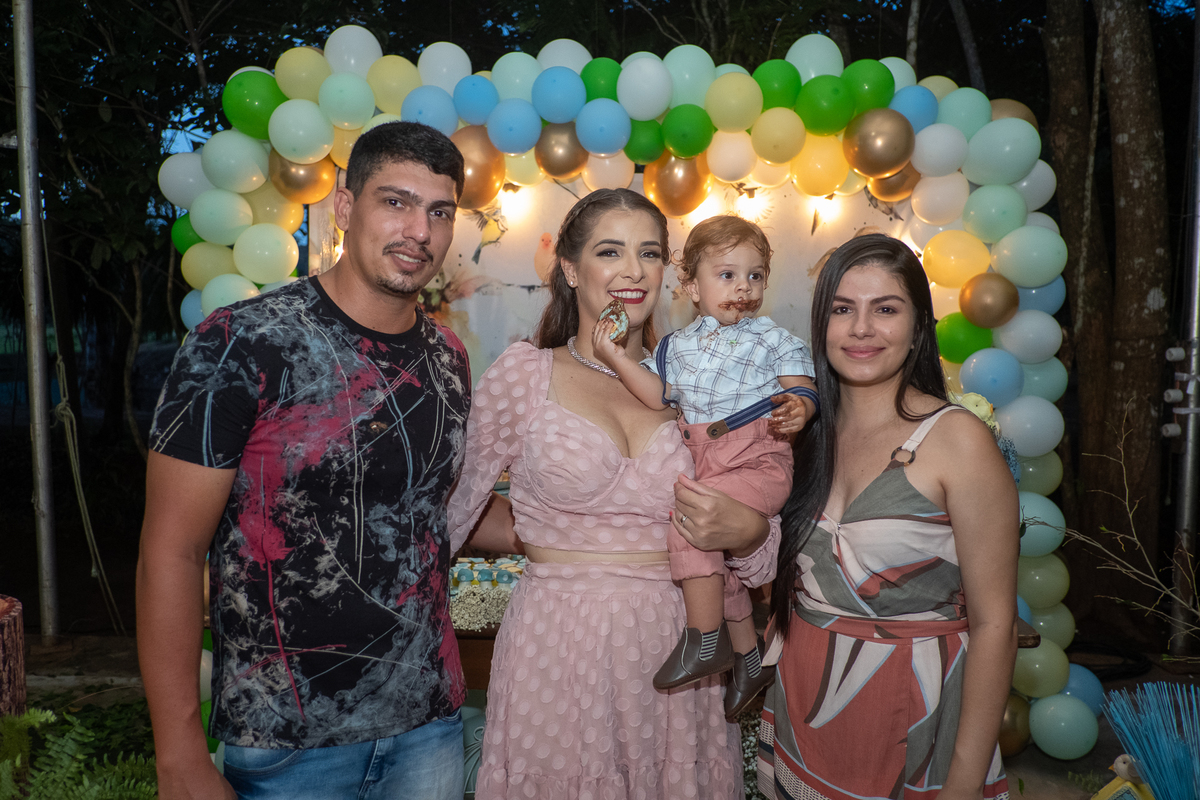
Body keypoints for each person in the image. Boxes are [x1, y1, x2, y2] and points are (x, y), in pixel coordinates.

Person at [137, 121, 472, 800]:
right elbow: (170, 552)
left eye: (440, 212)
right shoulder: (241, 342)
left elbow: (428, 509)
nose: (420, 231)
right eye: (396, 202)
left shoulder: (449, 358)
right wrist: (178, 755)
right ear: (345, 206)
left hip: (429, 726)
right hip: (287, 744)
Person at [448, 188, 778, 799]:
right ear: (571, 270)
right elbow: (454, 506)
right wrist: (548, 536)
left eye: (649, 253)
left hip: (682, 641)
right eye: (610, 251)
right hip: (560, 642)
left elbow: (758, 527)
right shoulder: (527, 373)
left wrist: (752, 531)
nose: (633, 270)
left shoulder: (699, 383)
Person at [755, 233, 1019, 800]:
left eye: (885, 309)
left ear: (919, 326)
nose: (861, 329)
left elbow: (995, 625)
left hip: (915, 725)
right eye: (842, 309)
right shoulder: (802, 435)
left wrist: (962, 783)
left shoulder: (958, 441)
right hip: (802, 714)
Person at [591, 215, 817, 719]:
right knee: (718, 565)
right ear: (691, 286)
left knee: (690, 525)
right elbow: (658, 395)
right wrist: (616, 356)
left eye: (755, 276)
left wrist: (800, 407)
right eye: (728, 275)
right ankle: (750, 659)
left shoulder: (773, 339)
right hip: (707, 460)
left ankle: (704, 639)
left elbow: (802, 387)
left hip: (756, 459)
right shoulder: (675, 346)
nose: (744, 288)